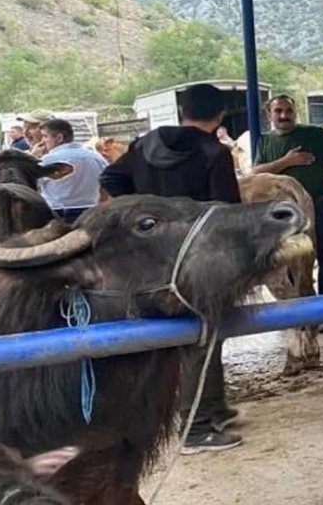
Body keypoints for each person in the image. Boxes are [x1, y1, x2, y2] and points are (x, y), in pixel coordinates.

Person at [98, 83, 243, 454]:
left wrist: (144, 215)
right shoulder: (215, 153)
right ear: (221, 114)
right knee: (202, 335)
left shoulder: (144, 144)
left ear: (182, 110)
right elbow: (227, 212)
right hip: (195, 260)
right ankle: (196, 428)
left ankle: (213, 408)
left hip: (147, 259)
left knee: (175, 338)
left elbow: (110, 178)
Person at [254, 95, 323, 333]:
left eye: (288, 110)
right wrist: (286, 161)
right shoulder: (265, 141)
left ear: (295, 112)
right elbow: (255, 172)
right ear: (269, 114)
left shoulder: (314, 134)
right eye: (278, 111)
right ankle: (297, 312)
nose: (284, 115)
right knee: (289, 260)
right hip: (285, 213)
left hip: (319, 204)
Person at [36, 119, 107, 222]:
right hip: (92, 213)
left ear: (59, 138)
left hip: (59, 214)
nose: (42, 141)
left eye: (45, 136)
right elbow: (106, 186)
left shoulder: (48, 160)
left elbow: (31, 185)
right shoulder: (96, 157)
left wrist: (33, 157)